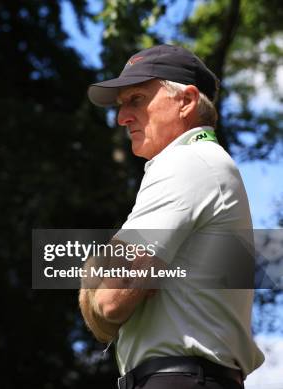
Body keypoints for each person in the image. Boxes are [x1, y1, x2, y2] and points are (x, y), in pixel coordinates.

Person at [79, 44, 264, 389]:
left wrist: (95, 274)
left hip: (179, 379)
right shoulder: (205, 164)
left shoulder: (186, 162)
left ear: (187, 101)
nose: (122, 117)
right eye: (121, 105)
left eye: (136, 99)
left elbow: (108, 301)